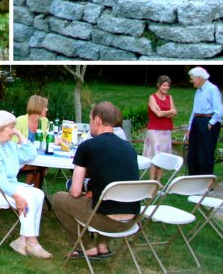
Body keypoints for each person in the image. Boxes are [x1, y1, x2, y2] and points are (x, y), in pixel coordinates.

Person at [53, 102, 140, 259]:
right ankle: (102, 244)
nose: (89, 124)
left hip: (106, 221)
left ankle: (85, 247)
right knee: (104, 200)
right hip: (131, 220)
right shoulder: (129, 148)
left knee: (59, 198)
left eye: (90, 120)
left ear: (97, 120)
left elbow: (75, 191)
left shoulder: (87, 146)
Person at [0, 110, 49, 259]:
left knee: (38, 193)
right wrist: (15, 195)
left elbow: (30, 155)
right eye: (11, 127)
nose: (14, 131)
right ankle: (32, 242)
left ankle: (23, 239)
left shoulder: (8, 145)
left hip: (1, 188)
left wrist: (21, 137)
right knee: (28, 196)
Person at [186, 67, 223, 176]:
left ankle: (205, 183)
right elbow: (194, 110)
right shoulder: (198, 90)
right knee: (193, 152)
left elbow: (219, 110)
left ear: (199, 78)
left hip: (207, 121)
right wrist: (189, 127)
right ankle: (193, 180)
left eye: (192, 78)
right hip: (196, 121)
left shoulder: (212, 89)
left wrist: (210, 123)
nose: (191, 80)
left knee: (205, 153)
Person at [144, 75, 177, 182]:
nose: (166, 87)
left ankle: (158, 180)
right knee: (156, 153)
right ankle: (151, 179)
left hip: (166, 129)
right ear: (158, 85)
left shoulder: (169, 97)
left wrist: (164, 112)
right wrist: (168, 112)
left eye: (168, 85)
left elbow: (174, 113)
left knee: (163, 154)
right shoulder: (152, 97)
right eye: (164, 85)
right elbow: (157, 114)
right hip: (154, 129)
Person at [15, 94, 49, 189]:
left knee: (41, 166)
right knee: (40, 167)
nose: (47, 109)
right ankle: (30, 189)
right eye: (45, 107)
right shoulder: (19, 121)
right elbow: (12, 144)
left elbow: (45, 140)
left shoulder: (45, 121)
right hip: (20, 158)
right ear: (38, 107)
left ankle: (31, 190)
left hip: (36, 155)